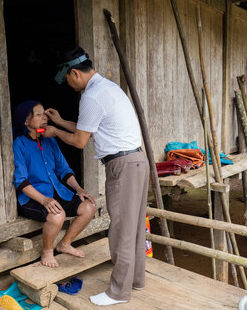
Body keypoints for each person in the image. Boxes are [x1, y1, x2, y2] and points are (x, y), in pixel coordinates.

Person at [44, 46, 149, 306]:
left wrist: (56, 133)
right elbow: (87, 127)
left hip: (123, 166)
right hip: (136, 161)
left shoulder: (91, 96)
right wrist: (59, 121)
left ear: (75, 73)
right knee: (133, 227)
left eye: (67, 79)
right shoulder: (107, 88)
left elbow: (80, 141)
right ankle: (135, 280)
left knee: (122, 229)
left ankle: (118, 293)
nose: (68, 85)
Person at [12, 100, 96, 268]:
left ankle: (65, 244)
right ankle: (47, 251)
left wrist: (79, 189)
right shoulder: (19, 143)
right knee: (57, 216)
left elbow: (64, 170)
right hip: (33, 198)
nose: (44, 117)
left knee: (89, 206)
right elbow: (20, 180)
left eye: (44, 113)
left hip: (57, 192)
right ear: (26, 121)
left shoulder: (50, 141)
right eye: (38, 114)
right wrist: (44, 200)